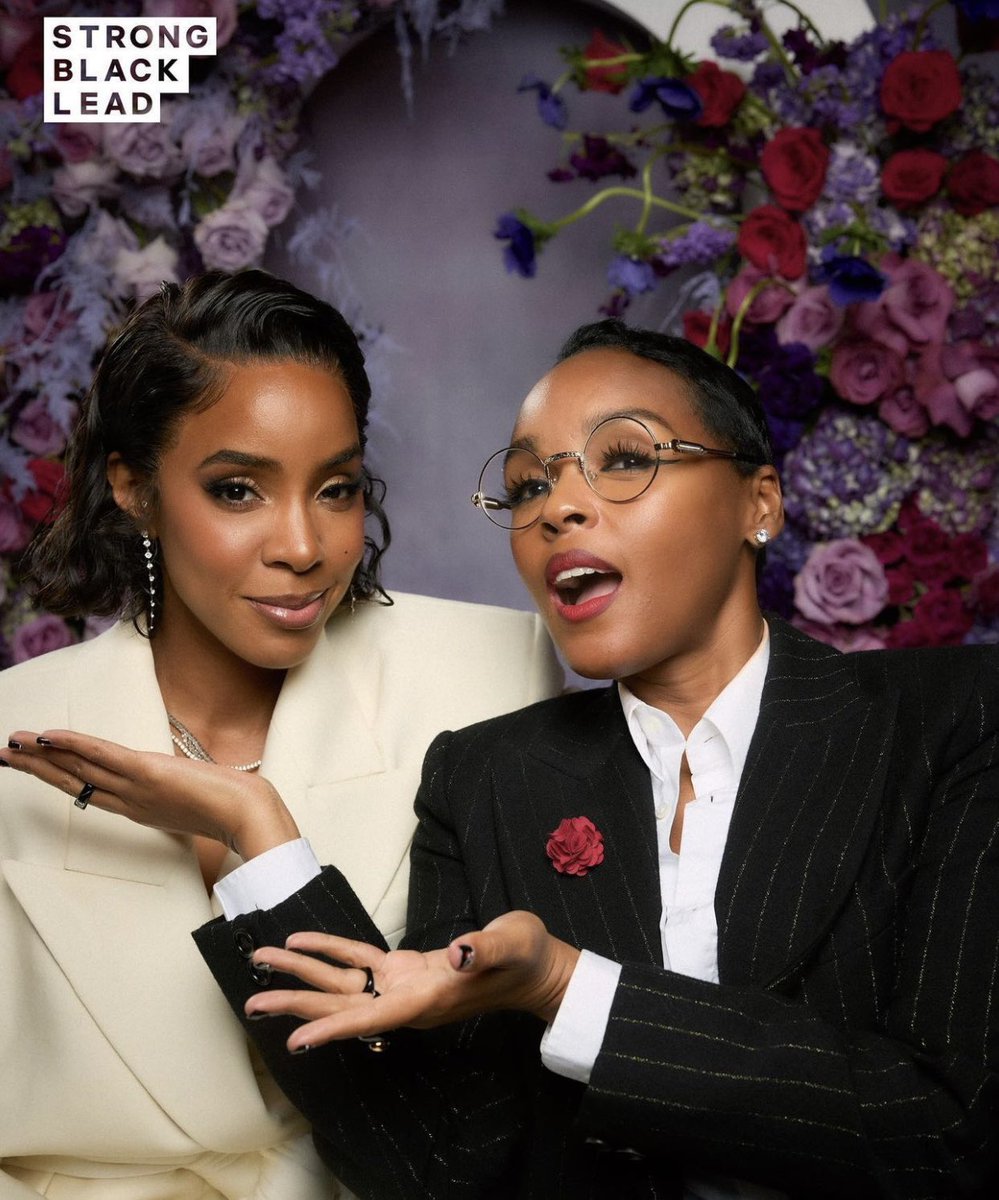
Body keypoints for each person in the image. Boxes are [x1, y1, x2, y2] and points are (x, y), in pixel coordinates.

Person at [5, 321, 998, 1199]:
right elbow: (435, 1169)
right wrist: (259, 840)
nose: (560, 508)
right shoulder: (490, 775)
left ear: (759, 501)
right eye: (529, 484)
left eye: (621, 460)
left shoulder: (954, 723)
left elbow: (957, 1134)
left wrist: (568, 989)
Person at [0, 270, 561, 1200]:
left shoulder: (492, 674)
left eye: (336, 488)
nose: (303, 545)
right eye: (236, 491)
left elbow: (494, 1100)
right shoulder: (15, 739)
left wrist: (256, 830)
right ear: (134, 490)